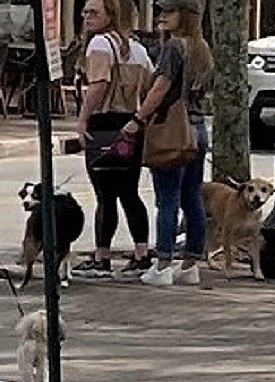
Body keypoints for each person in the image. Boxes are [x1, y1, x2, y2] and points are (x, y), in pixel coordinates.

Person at [122, 0, 211, 287]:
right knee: (192, 197)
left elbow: (161, 87)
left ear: (185, 15)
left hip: (174, 129)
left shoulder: (174, 47)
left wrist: (138, 117)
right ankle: (190, 263)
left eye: (169, 11)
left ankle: (162, 264)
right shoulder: (202, 48)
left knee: (168, 198)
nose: (162, 17)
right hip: (198, 128)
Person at [69, 0, 151, 278]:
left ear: (111, 15)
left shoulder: (99, 45)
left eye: (94, 12)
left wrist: (82, 119)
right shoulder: (138, 50)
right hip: (130, 123)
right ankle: (142, 253)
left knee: (105, 194)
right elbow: (151, 84)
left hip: (104, 123)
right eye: (85, 12)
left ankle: (102, 257)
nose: (86, 17)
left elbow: (99, 83)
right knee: (129, 191)